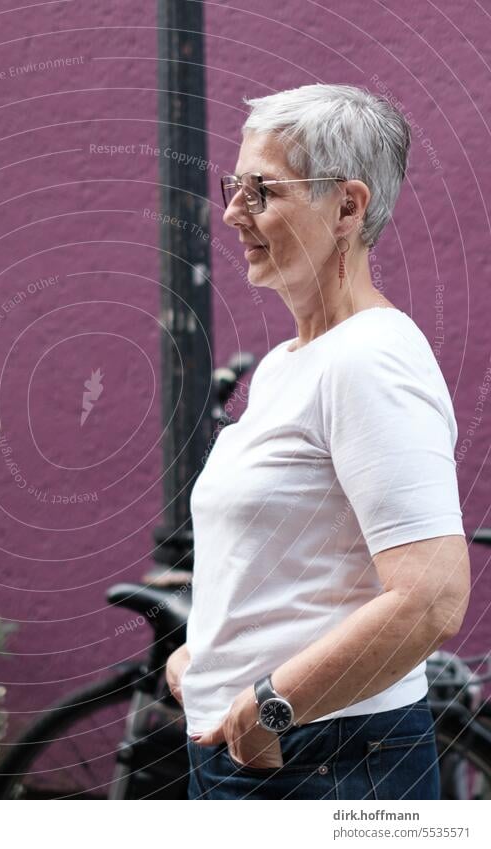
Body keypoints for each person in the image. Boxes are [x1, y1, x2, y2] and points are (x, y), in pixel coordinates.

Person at [166, 83, 470, 800]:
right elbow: (297, 564)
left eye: (261, 191)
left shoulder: (371, 359)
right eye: (234, 187)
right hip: (270, 754)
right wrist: (205, 651)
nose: (233, 212)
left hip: (327, 760)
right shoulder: (288, 363)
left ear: (347, 206)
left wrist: (271, 704)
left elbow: (432, 596)